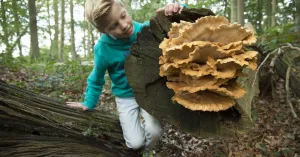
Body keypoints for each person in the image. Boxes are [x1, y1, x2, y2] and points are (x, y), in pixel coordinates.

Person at [66, 0, 185, 154]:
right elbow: (96, 78)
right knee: (135, 143)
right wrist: (88, 102)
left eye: (123, 16)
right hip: (125, 97)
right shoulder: (102, 48)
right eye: (113, 26)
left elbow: (177, 26)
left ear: (125, 8)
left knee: (154, 131)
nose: (123, 25)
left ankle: (146, 152)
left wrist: (177, 10)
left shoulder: (145, 31)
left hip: (147, 92)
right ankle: (138, 147)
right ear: (103, 31)